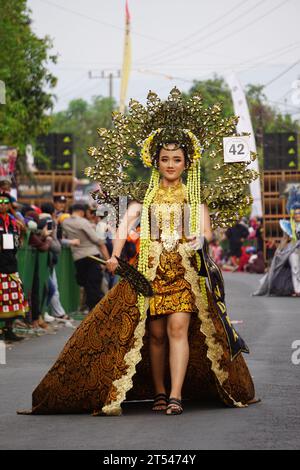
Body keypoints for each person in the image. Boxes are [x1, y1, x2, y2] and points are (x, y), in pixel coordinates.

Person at [18, 87, 259, 417]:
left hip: (184, 274)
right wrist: (116, 254)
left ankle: (176, 394)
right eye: (165, 159)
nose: (171, 164)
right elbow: (124, 222)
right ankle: (159, 392)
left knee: (178, 330)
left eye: (177, 159)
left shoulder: (195, 198)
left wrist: (196, 242)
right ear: (155, 162)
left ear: (187, 162)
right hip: (148, 271)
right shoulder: (145, 198)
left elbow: (204, 234)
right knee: (155, 336)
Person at [61, 203, 110, 310]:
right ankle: (97, 313)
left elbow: (61, 237)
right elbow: (99, 241)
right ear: (82, 211)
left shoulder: (64, 222)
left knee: (87, 286)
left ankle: (91, 311)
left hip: (77, 258)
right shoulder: (83, 222)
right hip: (91, 257)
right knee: (95, 287)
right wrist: (108, 260)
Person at [254, 186, 300, 296]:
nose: (298, 215)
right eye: (296, 213)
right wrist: (278, 250)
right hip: (293, 250)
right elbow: (284, 239)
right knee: (295, 267)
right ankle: (298, 290)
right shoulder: (289, 225)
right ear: (293, 214)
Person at [0, 192, 28, 341]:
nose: (3, 204)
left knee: (13, 298)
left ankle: (8, 329)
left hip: (11, 264)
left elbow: (23, 235)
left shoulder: (13, 221)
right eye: (0, 202)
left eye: (6, 202)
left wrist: (22, 233)